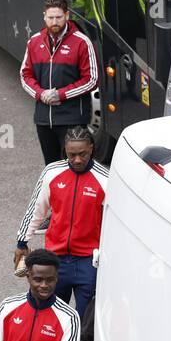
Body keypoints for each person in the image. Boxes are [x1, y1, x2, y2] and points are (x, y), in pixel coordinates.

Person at [13, 126, 103, 317]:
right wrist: (22, 242)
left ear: (92, 149)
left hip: (88, 262)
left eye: (82, 154)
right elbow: (36, 209)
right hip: (54, 260)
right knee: (49, 317)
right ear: (65, 151)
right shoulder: (52, 173)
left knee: (84, 320)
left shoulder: (105, 180)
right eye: (71, 155)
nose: (77, 160)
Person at [21, 0, 98, 165]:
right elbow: (25, 75)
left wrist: (59, 95)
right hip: (43, 120)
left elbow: (92, 79)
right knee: (51, 167)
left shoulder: (82, 42)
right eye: (50, 18)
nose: (54, 22)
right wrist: (41, 94)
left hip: (72, 120)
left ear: (67, 15)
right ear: (44, 16)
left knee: (75, 167)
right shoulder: (34, 42)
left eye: (59, 17)